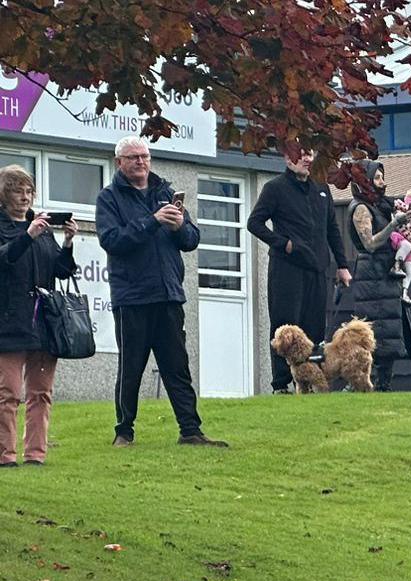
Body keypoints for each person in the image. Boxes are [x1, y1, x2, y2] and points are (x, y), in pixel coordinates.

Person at [96, 136, 225, 448]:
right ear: (119, 163)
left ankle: (190, 431)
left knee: (177, 368)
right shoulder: (109, 198)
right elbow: (112, 241)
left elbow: (192, 240)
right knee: (131, 369)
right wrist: (151, 222)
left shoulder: (165, 192)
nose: (141, 162)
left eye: (145, 156)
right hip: (133, 296)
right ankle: (124, 432)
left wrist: (179, 224)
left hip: (168, 294)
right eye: (133, 157)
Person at [247, 145, 350, 394]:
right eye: (300, 153)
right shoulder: (275, 188)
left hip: (317, 267)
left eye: (309, 153)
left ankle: (312, 380)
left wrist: (343, 265)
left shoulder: (322, 189)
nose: (306, 158)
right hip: (287, 268)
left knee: (314, 325)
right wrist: (284, 244)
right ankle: (280, 384)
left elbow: (332, 230)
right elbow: (254, 223)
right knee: (285, 325)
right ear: (286, 157)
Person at [0, 165, 76, 466]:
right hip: (9, 320)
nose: (25, 197)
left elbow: (61, 270)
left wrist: (68, 243)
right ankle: (5, 455)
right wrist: (28, 236)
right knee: (8, 393)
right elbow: (5, 258)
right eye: (18, 190)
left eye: (29, 191)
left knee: (41, 392)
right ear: (5, 194)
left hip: (44, 321)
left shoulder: (42, 230)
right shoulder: (10, 227)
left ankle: (35, 455)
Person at [343, 161, 411, 393]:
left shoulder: (381, 206)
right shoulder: (361, 208)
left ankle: (384, 384)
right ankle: (359, 383)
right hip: (371, 275)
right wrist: (394, 224)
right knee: (372, 331)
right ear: (364, 181)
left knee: (390, 331)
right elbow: (370, 243)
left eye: (382, 177)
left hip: (386, 274)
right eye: (377, 178)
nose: (382, 182)